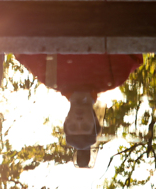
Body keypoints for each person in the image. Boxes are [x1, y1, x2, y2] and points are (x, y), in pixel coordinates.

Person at [15, 54, 143, 166]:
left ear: (66, 120)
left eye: (73, 126)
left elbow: (19, 47)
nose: (79, 120)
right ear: (95, 122)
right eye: (86, 126)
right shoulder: (114, 76)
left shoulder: (49, 75)